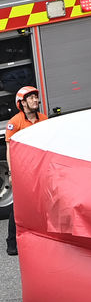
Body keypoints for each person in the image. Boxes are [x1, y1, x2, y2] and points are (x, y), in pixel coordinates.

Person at [5, 85, 47, 256]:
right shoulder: (14, 122)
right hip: (23, 171)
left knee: (44, 205)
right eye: (31, 98)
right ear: (22, 102)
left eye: (36, 97)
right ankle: (11, 242)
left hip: (41, 170)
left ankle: (44, 241)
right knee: (18, 207)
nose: (35, 100)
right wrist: (11, 173)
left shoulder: (44, 119)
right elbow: (10, 148)